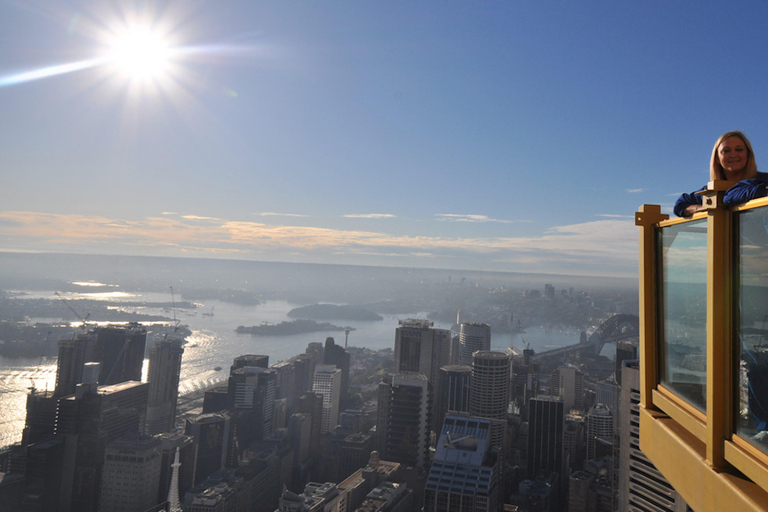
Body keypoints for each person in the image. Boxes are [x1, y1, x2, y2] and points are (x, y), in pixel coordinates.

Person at [674, 131, 768, 217]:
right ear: (717, 158)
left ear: (748, 154)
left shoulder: (763, 180)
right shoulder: (712, 191)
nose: (733, 155)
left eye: (739, 150)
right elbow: (680, 205)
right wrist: (702, 208)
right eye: (726, 151)